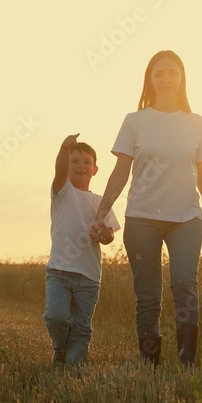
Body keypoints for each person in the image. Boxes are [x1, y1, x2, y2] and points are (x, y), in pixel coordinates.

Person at [90, 50, 202, 368]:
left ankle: (187, 359)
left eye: (173, 73)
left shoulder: (196, 123)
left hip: (186, 217)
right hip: (141, 218)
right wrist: (102, 211)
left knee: (183, 282)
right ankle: (150, 362)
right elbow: (121, 171)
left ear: (182, 79)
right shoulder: (135, 121)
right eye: (159, 73)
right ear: (149, 80)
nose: (166, 79)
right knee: (148, 293)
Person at [45, 133, 120, 368]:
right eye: (74, 161)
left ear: (95, 169)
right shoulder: (62, 192)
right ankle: (60, 348)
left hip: (89, 276)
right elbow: (59, 169)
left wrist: (104, 235)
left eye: (86, 162)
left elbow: (109, 236)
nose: (80, 166)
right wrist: (63, 148)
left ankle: (73, 368)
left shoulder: (101, 202)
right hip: (59, 272)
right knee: (56, 317)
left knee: (81, 326)